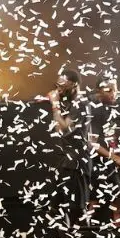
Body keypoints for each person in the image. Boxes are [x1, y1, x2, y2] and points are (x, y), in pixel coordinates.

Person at [47, 69, 92, 228]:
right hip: (67, 163)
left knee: (76, 212)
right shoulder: (71, 103)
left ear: (74, 85)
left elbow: (63, 128)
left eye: (62, 85)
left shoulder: (81, 104)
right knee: (55, 209)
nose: (58, 89)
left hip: (76, 165)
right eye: (57, 85)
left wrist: (55, 105)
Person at [87, 75, 120, 226]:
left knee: (118, 203)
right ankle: (82, 235)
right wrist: (115, 158)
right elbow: (91, 143)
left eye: (115, 90)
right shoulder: (93, 109)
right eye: (109, 90)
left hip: (106, 162)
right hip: (94, 163)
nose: (114, 94)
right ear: (99, 91)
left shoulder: (107, 107)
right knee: (94, 204)